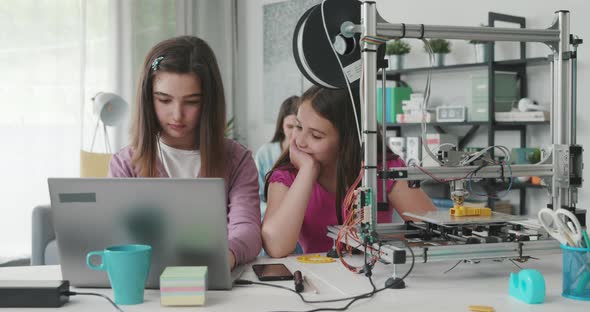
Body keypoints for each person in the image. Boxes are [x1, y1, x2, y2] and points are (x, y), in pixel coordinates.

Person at [108, 36, 261, 270]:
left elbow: (247, 229)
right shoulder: (125, 163)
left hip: (214, 283)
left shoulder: (237, 160)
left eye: (191, 102)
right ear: (148, 98)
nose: (177, 115)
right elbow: (116, 236)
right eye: (164, 100)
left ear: (209, 102)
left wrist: (225, 256)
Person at [262, 85, 436, 258]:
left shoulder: (383, 170)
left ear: (348, 139)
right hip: (317, 278)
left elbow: (435, 233)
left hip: (375, 277)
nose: (299, 141)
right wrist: (307, 171)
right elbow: (276, 247)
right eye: (298, 127)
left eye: (316, 136)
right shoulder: (286, 176)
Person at [254, 95, 299, 218]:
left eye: (299, 127)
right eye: (289, 127)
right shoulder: (265, 153)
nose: (294, 133)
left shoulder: (311, 156)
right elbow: (255, 198)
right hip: (271, 218)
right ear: (281, 126)